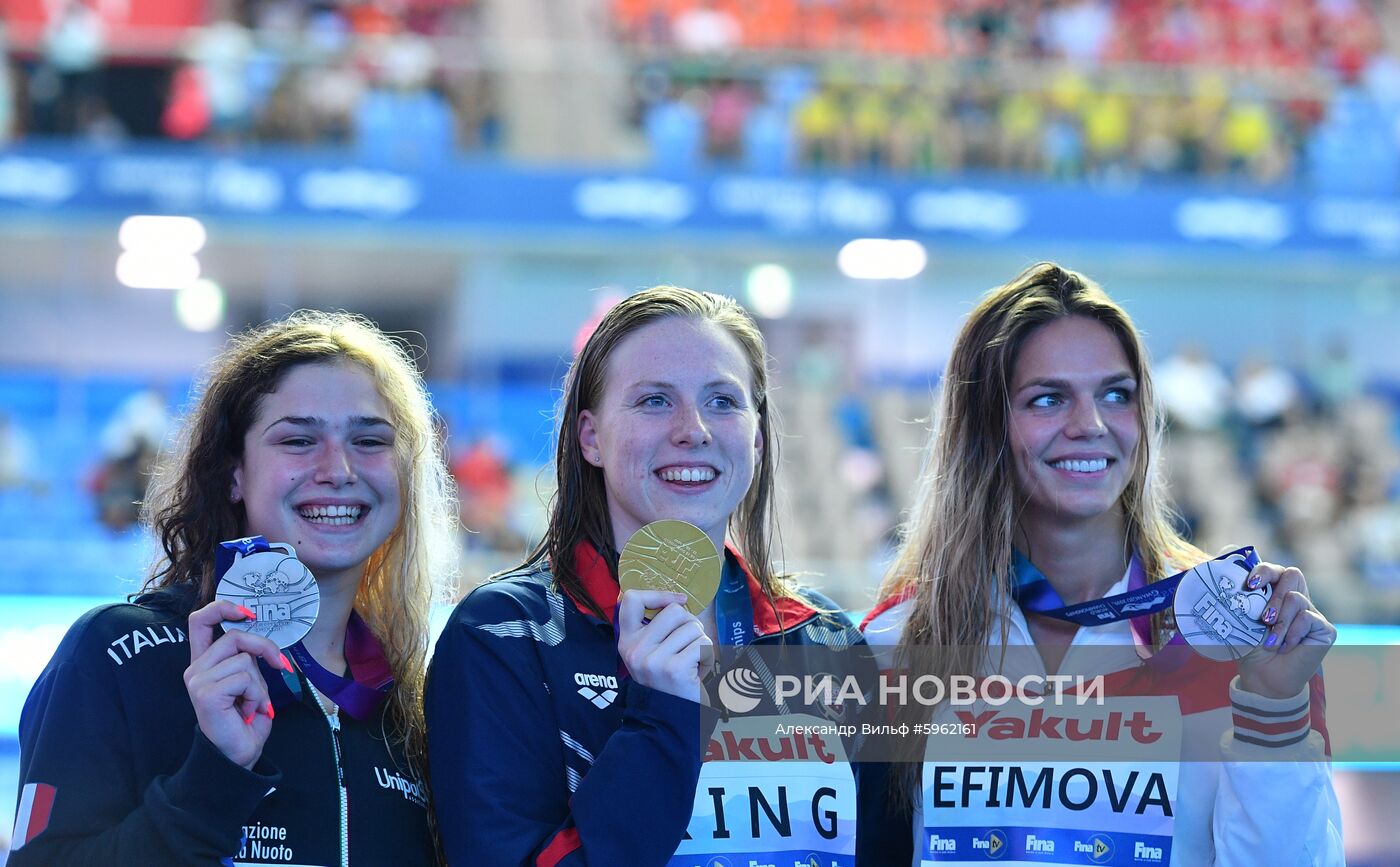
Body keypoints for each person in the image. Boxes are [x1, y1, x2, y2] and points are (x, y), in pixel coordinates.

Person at [858, 263, 1342, 865]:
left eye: (1116, 395)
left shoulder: (1234, 636)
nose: (1089, 425)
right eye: (1048, 398)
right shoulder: (896, 645)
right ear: (985, 427)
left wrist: (1272, 706)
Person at [426, 286, 864, 866]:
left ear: (757, 436)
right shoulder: (503, 636)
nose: (694, 430)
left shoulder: (827, 641)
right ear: (590, 437)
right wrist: (662, 717)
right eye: (655, 401)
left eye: (723, 401)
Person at [12, 311, 457, 864]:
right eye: (298, 439)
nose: (339, 468)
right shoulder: (118, 656)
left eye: (370, 440)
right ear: (233, 473)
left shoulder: (414, 703)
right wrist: (214, 774)